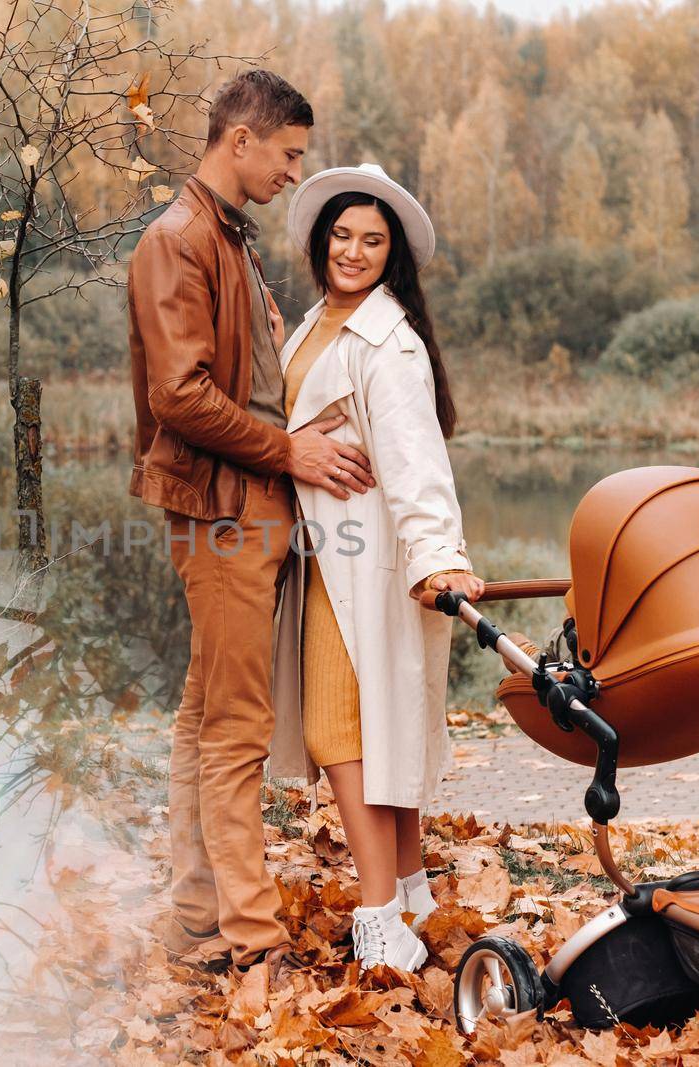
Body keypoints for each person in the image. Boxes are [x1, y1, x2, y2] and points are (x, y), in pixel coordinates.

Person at [125, 70, 378, 980]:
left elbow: (249, 381)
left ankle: (195, 915)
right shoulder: (179, 240)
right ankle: (254, 941)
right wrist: (292, 452)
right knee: (235, 728)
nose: (292, 172)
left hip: (249, 505)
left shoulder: (226, 238)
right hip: (220, 510)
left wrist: (309, 436)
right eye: (288, 153)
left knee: (204, 717)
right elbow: (182, 397)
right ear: (241, 140)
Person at [268, 163, 484, 973]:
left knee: (342, 730)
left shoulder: (386, 339)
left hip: (372, 557)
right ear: (322, 239)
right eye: (342, 235)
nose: (352, 251)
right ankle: (412, 885)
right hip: (324, 554)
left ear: (391, 255)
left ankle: (379, 913)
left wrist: (438, 556)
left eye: (372, 240)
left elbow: (415, 457)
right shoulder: (316, 322)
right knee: (372, 729)